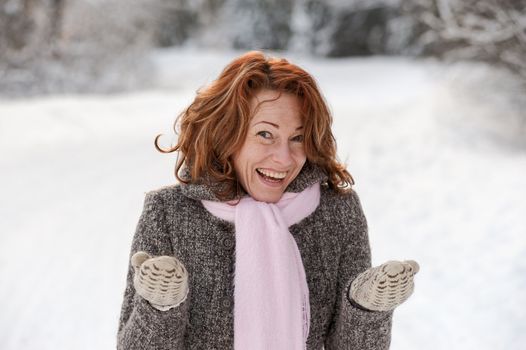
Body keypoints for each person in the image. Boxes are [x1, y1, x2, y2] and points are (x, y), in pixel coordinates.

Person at [116, 50, 419, 350]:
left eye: (297, 138)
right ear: (226, 135)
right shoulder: (169, 213)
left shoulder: (337, 212)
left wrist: (365, 308)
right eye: (265, 134)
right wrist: (159, 308)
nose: (284, 158)